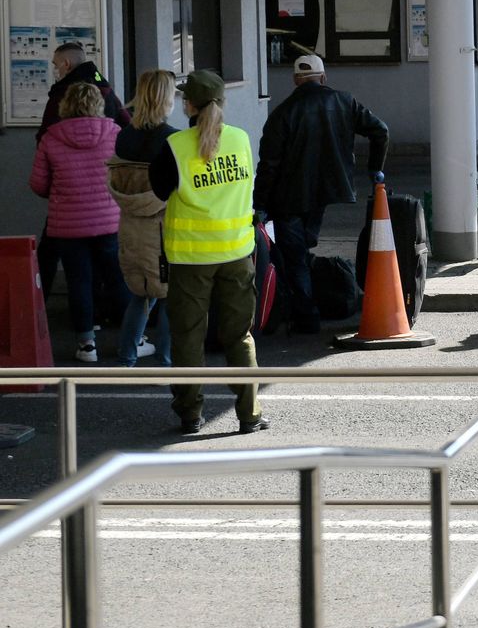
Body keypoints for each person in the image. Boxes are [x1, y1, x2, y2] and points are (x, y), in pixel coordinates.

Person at [150, 70, 267, 435]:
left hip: (189, 259)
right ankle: (249, 414)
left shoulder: (175, 146)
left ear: (189, 105)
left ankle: (190, 414)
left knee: (188, 336)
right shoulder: (241, 139)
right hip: (236, 253)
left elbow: (158, 190)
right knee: (239, 336)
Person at [254, 54, 389, 333]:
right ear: (323, 78)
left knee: (295, 256)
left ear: (295, 80)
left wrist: (260, 206)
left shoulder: (281, 114)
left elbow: (268, 167)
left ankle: (306, 316)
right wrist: (375, 169)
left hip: (288, 198)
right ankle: (304, 307)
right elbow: (380, 131)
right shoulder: (344, 101)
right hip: (327, 191)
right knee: (300, 250)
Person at [28, 82, 129, 362]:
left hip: (68, 224)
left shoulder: (51, 138)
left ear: (65, 105)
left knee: (79, 281)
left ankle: (87, 344)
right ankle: (133, 337)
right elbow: (124, 177)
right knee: (116, 277)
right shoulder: (114, 133)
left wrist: (61, 191)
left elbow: (38, 184)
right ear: (98, 104)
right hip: (108, 221)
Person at [36, 41, 133, 304]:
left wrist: (56, 188)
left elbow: (39, 173)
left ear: (66, 64)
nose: (55, 70)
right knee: (112, 267)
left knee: (70, 269)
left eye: (56, 65)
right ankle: (125, 326)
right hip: (105, 204)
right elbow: (128, 127)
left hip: (67, 205)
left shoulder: (60, 96)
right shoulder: (105, 88)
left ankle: (43, 310)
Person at [107, 69, 179, 367]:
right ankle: (165, 359)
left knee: (140, 293)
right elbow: (177, 187)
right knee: (169, 295)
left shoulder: (124, 137)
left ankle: (127, 356)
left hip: (129, 225)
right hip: (161, 228)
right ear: (165, 98)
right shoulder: (173, 140)